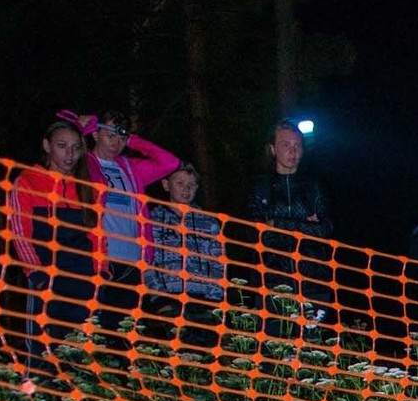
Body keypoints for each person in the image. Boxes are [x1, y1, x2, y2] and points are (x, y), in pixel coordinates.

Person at [5, 117, 106, 366]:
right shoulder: (27, 180)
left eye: (75, 147)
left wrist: (100, 272)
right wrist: (36, 274)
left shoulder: (86, 188)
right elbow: (19, 232)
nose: (69, 154)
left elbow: (97, 234)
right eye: (62, 146)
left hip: (83, 281)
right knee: (41, 353)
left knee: (81, 354)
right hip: (47, 280)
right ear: (47, 146)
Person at [77, 110, 178, 307]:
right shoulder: (85, 164)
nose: (117, 143)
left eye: (121, 138)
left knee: (125, 326)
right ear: (96, 134)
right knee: (95, 324)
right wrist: (81, 126)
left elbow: (170, 162)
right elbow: (66, 147)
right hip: (100, 259)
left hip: (132, 260)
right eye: (110, 136)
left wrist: (133, 140)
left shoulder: (130, 168)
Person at [245, 119, 335, 326]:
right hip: (271, 281)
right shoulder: (260, 187)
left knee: (312, 350)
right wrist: (304, 224)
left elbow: (325, 229)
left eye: (297, 145)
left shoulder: (314, 187)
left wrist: (277, 223)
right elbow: (255, 233)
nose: (293, 151)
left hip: (313, 282)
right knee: (278, 350)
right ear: (272, 149)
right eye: (286, 145)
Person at [142, 161, 226, 311]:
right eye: (180, 183)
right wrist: (159, 299)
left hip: (203, 301)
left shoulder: (209, 222)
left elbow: (219, 264)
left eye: (191, 185)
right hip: (168, 301)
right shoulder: (151, 220)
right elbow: (146, 262)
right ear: (166, 185)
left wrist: (214, 299)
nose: (186, 189)